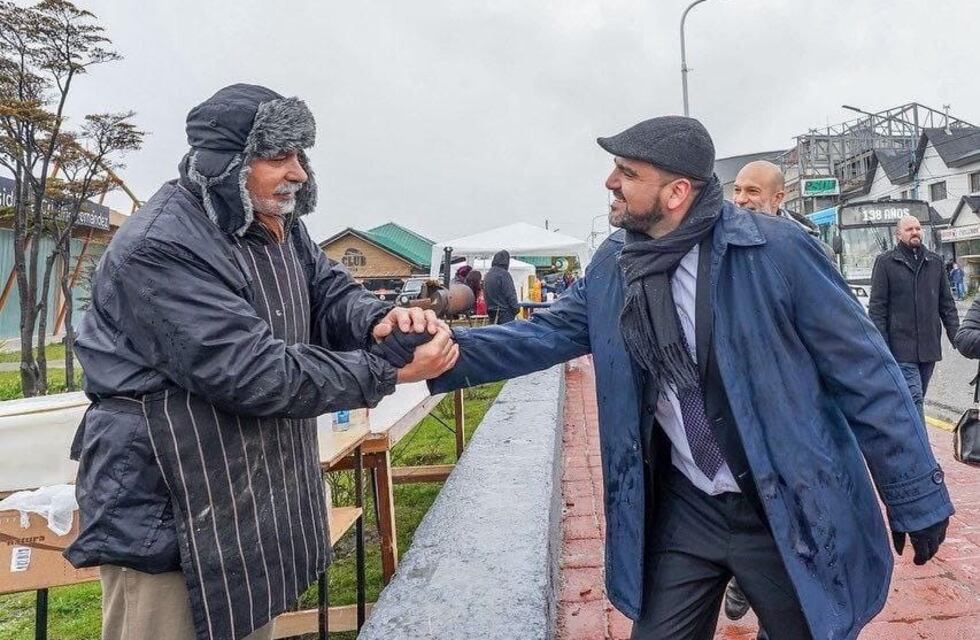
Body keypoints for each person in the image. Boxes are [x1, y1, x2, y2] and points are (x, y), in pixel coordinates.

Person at [430, 116, 952, 640]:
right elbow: (541, 336)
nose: (610, 183)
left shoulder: (778, 253)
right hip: (686, 507)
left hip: (785, 507)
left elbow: (866, 373)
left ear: (677, 192)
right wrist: (431, 352)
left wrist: (915, 494)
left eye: (627, 173)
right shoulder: (615, 266)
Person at [65, 84, 458, 640]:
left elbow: (326, 293)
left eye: (300, 155)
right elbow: (254, 373)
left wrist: (379, 320)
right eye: (278, 156)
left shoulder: (276, 226)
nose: (297, 171)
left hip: (245, 498)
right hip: (175, 508)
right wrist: (386, 372)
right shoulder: (162, 246)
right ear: (224, 164)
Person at [868, 216, 960, 428]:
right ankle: (923, 457)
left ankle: (899, 436)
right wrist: (881, 346)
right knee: (914, 397)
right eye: (909, 229)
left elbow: (947, 305)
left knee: (911, 399)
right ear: (898, 235)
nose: (915, 232)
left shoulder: (935, 262)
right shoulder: (885, 263)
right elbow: (877, 309)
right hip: (900, 348)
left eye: (918, 228)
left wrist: (958, 337)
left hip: (928, 348)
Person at [732, 160, 835, 262]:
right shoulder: (722, 240)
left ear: (777, 198)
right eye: (737, 190)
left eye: (752, 191)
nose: (740, 199)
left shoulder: (814, 251)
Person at [483, 249, 520, 324]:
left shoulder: (488, 274)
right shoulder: (504, 274)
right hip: (505, 313)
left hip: (491, 312)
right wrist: (516, 308)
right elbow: (510, 294)